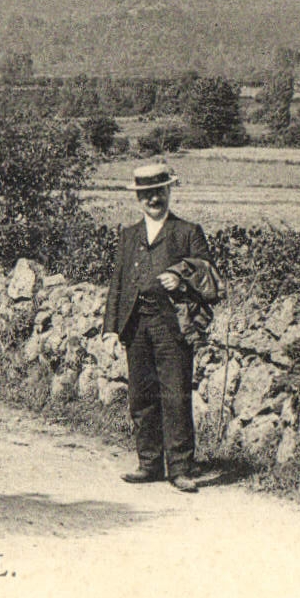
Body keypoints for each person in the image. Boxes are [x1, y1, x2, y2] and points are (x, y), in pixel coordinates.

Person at [101, 162, 214, 493]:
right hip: (135, 326)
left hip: (172, 327)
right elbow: (118, 283)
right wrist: (111, 327)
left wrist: (180, 277)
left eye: (159, 192)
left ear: (169, 192)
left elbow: (208, 274)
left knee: (176, 395)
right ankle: (149, 463)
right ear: (138, 198)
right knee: (141, 395)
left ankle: (180, 468)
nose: (154, 199)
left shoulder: (187, 232)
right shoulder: (128, 235)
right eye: (147, 194)